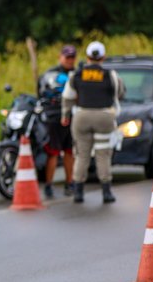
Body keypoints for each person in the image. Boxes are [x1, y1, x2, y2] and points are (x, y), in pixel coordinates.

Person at [61, 41, 124, 204]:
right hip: (104, 117)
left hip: (82, 116)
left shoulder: (76, 75)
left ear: (87, 56)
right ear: (103, 57)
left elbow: (67, 97)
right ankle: (106, 192)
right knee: (103, 154)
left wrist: (65, 114)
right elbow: (120, 92)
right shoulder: (111, 75)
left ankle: (78, 192)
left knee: (82, 155)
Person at [38, 45, 76, 198]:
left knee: (69, 151)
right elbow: (41, 93)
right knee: (53, 152)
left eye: (72, 57)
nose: (70, 60)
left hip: (72, 116)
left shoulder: (76, 73)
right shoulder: (50, 73)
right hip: (54, 117)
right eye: (67, 57)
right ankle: (48, 185)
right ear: (61, 57)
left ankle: (70, 183)